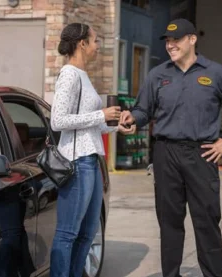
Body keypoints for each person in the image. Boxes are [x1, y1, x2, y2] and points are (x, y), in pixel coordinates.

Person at [120, 18, 222, 277]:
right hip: (165, 153)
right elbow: (142, 110)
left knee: (206, 221)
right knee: (169, 223)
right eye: (168, 41)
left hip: (201, 154)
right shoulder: (157, 75)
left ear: (192, 39)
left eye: (176, 39)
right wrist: (131, 119)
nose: (170, 45)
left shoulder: (215, 73)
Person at [49, 22, 133, 277]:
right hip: (77, 162)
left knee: (87, 234)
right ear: (82, 43)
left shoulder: (83, 75)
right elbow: (58, 121)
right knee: (67, 234)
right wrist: (101, 114)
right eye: (95, 41)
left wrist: (116, 127)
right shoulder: (69, 75)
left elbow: (90, 126)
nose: (98, 46)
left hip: (92, 160)